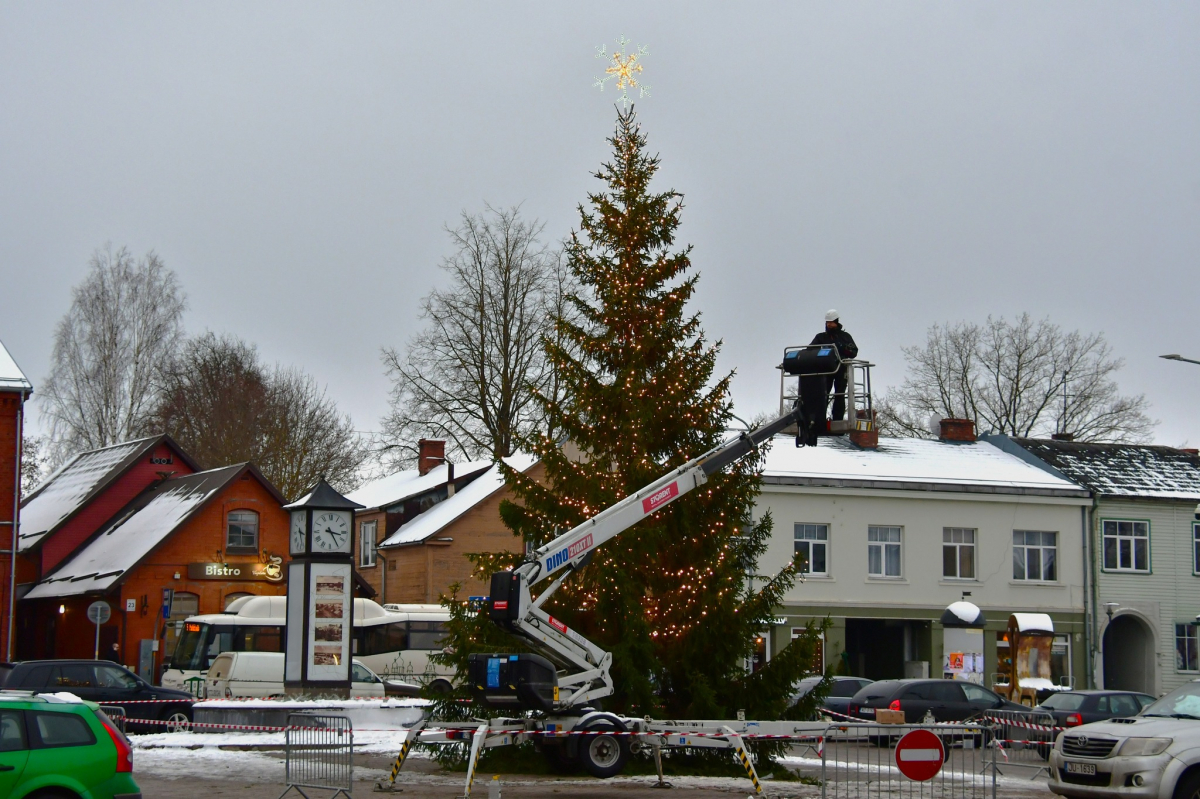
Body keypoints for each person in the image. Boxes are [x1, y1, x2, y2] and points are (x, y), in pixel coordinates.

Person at [810, 310, 858, 422]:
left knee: (839, 394)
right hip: (825, 369)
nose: (829, 324)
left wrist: (845, 349)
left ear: (836, 322)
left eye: (831, 322)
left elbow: (854, 352)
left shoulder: (845, 337)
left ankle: (837, 419)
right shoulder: (821, 337)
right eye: (827, 322)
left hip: (841, 369)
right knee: (823, 394)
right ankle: (819, 419)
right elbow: (810, 350)